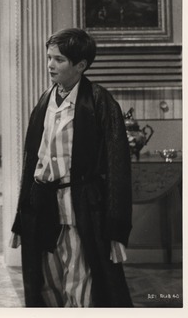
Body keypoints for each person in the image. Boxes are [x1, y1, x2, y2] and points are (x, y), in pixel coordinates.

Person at [11, 28, 133, 307]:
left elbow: (118, 168)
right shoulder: (45, 100)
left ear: (81, 65)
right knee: (47, 286)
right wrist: (21, 219)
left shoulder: (100, 102)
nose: (50, 65)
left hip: (79, 211)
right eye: (49, 58)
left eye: (59, 60)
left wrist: (117, 230)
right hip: (42, 209)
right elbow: (33, 163)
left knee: (79, 288)